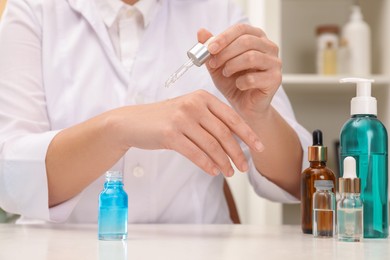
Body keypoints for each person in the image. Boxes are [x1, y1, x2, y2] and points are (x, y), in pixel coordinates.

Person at [0, 0, 310, 224]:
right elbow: (11, 178)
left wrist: (259, 114)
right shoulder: (33, 9)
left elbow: (299, 180)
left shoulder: (219, 10)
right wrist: (117, 128)